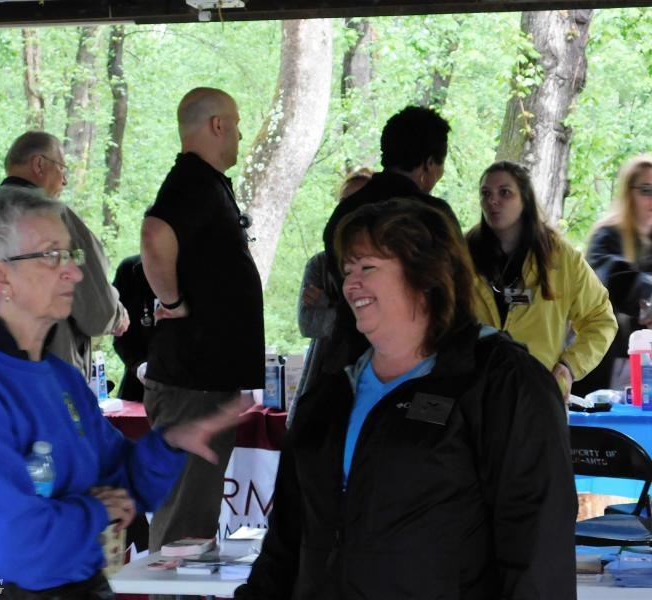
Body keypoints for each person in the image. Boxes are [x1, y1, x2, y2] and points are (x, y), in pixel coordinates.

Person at [0, 186, 248, 599]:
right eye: (52, 255)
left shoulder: (58, 377)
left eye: (72, 256)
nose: (73, 272)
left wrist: (171, 443)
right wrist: (94, 510)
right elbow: (12, 544)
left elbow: (121, 482)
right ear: (0, 277)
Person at [235, 199, 578, 600]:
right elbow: (286, 542)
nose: (350, 284)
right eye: (347, 271)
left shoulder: (501, 382)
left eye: (368, 268)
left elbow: (537, 542)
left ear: (425, 275)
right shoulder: (330, 395)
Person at [140, 87, 265, 560]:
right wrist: (172, 299)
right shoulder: (191, 182)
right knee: (184, 524)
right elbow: (154, 234)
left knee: (196, 519)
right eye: (235, 123)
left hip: (206, 380)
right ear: (217, 125)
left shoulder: (207, 183)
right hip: (192, 382)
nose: (238, 133)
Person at [0, 130, 127, 378]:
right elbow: (98, 313)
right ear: (39, 164)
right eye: (62, 169)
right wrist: (118, 315)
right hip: (46, 383)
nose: (64, 181)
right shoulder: (56, 220)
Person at [321, 106, 457, 370]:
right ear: (429, 164)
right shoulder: (432, 216)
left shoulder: (345, 212)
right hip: (418, 356)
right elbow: (451, 291)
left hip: (352, 348)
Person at [467, 160, 616, 399]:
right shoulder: (462, 254)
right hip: (473, 396)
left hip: (538, 398)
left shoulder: (561, 259)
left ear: (525, 199)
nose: (492, 201)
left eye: (505, 192)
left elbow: (601, 320)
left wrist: (570, 367)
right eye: (486, 194)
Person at [289, 168, 373, 427]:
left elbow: (374, 324)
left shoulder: (386, 265)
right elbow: (308, 324)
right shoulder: (320, 264)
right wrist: (355, 312)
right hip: (320, 378)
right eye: (343, 203)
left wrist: (328, 304)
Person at [573, 154, 652, 395]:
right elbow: (612, 280)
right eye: (646, 189)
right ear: (629, 193)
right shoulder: (606, 236)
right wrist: (648, 301)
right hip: (605, 365)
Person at [112, 254, 156, 402]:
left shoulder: (197, 271)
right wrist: (139, 365)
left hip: (191, 391)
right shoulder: (129, 270)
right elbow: (120, 333)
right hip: (138, 388)